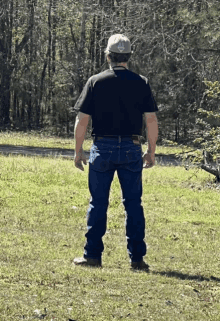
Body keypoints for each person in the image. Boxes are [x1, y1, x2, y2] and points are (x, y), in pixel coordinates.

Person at [73, 34, 158, 270]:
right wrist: (151, 151)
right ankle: (137, 259)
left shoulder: (95, 81)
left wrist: (78, 151)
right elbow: (151, 120)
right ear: (129, 57)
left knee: (98, 202)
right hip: (132, 147)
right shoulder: (141, 82)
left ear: (108, 56)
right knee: (133, 204)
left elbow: (82, 121)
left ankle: (92, 256)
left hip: (103, 147)